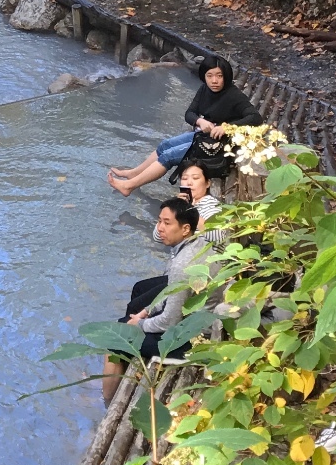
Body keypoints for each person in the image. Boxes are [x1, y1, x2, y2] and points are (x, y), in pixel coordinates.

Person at [102, 199, 228, 402]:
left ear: (185, 228)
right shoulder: (201, 244)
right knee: (132, 314)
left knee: (115, 337)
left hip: (191, 342)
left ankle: (106, 402)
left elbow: (170, 321)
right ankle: (117, 377)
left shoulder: (182, 264)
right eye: (159, 221)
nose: (160, 228)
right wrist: (147, 310)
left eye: (167, 223)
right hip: (199, 326)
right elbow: (171, 293)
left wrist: (139, 324)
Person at [107, 55, 261, 193]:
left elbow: (255, 117)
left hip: (222, 148)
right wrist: (200, 120)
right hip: (204, 137)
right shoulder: (204, 89)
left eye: (219, 76)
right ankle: (135, 173)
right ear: (204, 76)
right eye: (210, 76)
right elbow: (189, 113)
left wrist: (226, 128)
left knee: (168, 156)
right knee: (164, 145)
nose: (214, 81)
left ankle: (129, 186)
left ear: (226, 76)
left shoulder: (234, 95)